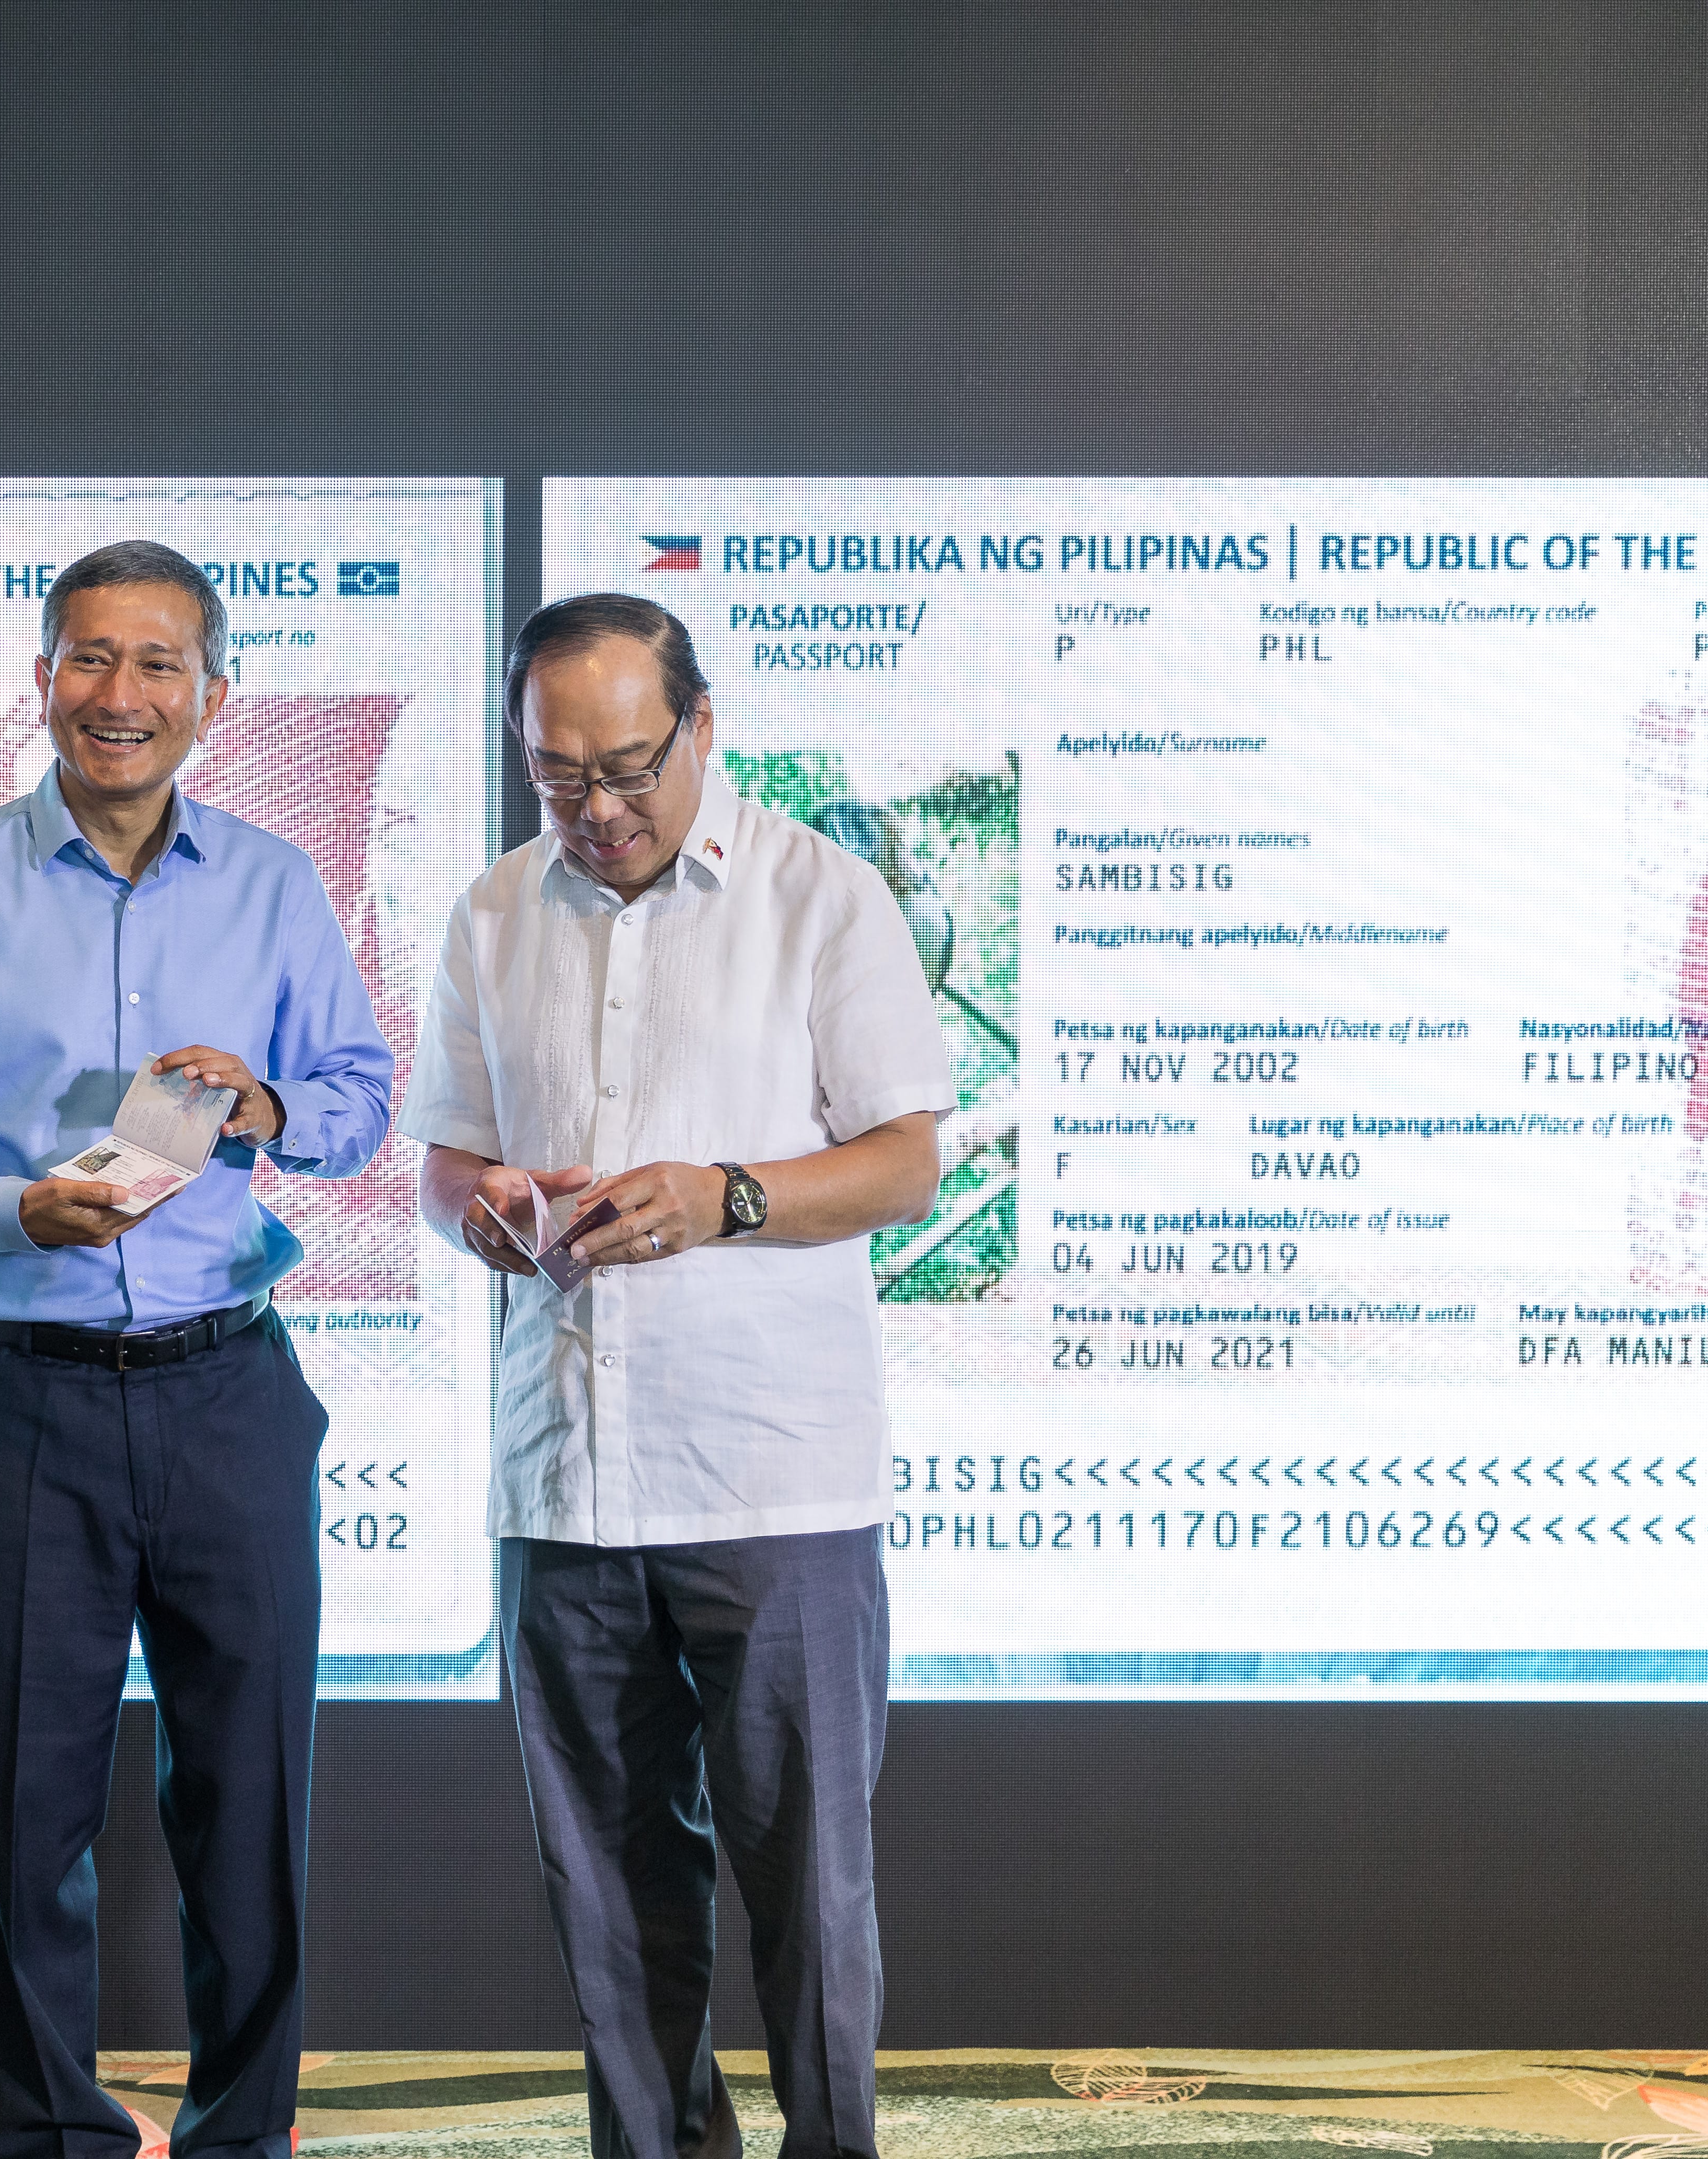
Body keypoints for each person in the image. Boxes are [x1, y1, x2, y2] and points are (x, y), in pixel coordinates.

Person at [0, 541, 393, 2159]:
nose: (121, 694)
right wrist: (10, 1206)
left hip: (229, 1386)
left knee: (250, 1798)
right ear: (41, 682)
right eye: (90, 658)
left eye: (158, 663)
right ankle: (55, 2136)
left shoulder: (275, 883)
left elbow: (358, 1099)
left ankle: (243, 2136)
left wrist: (268, 1105)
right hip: (17, 1398)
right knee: (27, 1810)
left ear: (214, 694)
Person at [398, 593, 954, 2159]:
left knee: (808, 1888)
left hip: (773, 1483)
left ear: (702, 727)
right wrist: (487, 1210)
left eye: (629, 768)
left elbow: (906, 1160)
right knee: (609, 1896)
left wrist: (728, 1196)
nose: (597, 809)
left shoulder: (820, 894)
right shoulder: (492, 913)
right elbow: (443, 1165)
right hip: (565, 1483)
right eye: (557, 776)